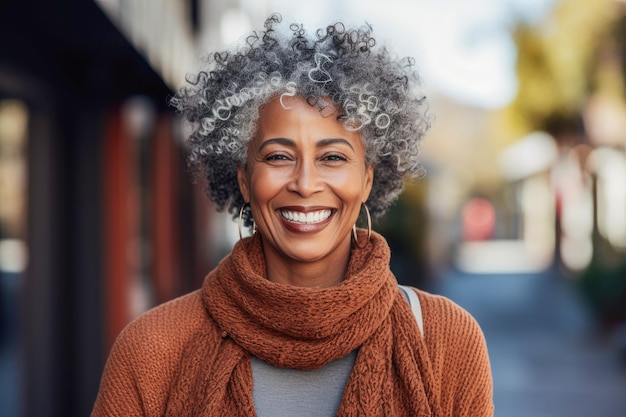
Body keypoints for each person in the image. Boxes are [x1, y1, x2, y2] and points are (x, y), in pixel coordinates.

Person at [91, 13, 493, 417]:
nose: (305, 183)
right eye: (279, 156)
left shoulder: (447, 341)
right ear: (245, 180)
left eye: (333, 157)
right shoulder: (151, 349)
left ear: (368, 180)